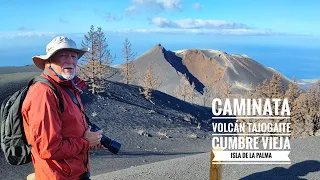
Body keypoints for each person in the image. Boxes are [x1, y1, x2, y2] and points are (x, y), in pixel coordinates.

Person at [22, 36, 103, 180]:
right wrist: (85, 142)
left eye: (73, 56)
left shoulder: (67, 88)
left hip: (75, 174)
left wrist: (91, 141)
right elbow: (48, 148)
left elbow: (70, 130)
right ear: (49, 61)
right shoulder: (44, 94)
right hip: (58, 176)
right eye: (62, 55)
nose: (70, 61)